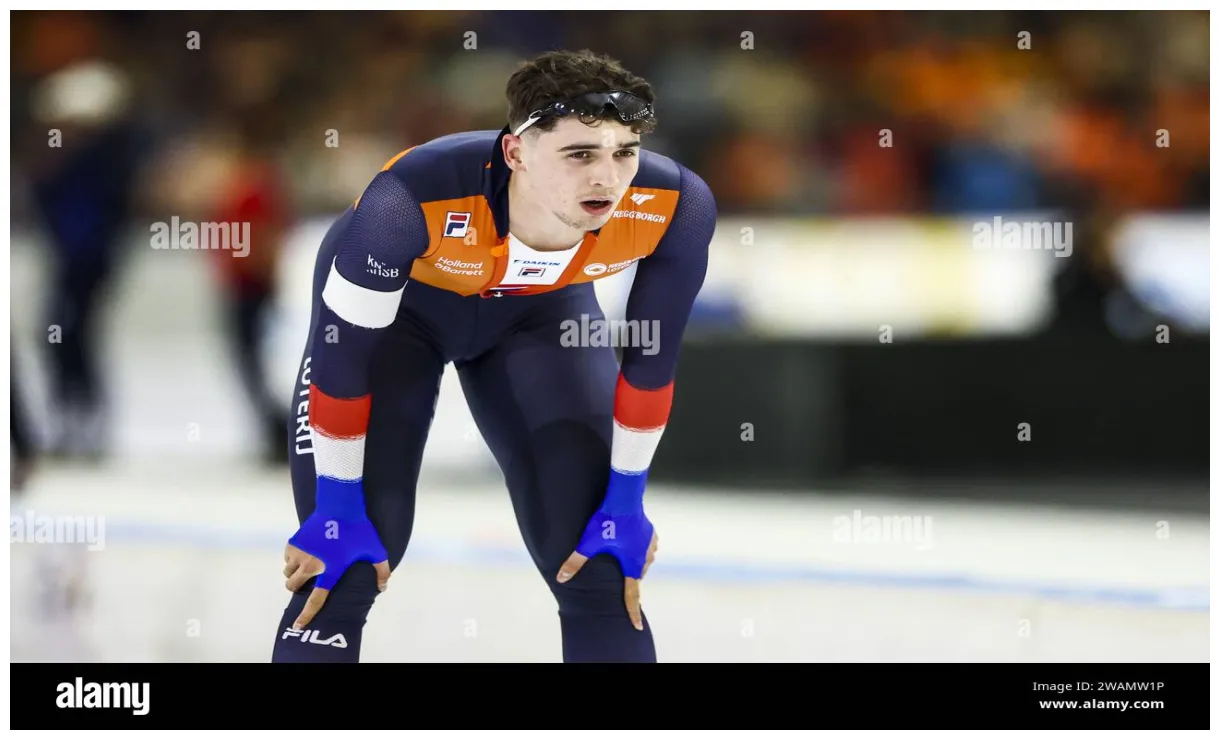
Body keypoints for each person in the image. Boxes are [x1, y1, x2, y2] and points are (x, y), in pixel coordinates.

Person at [272, 49, 716, 663]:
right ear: (516, 153)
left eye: (624, 153)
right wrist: (338, 503)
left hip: (538, 317)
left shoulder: (676, 204)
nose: (609, 180)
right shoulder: (406, 200)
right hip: (402, 319)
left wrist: (625, 500)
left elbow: (651, 364)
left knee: (598, 563)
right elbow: (343, 367)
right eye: (580, 154)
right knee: (343, 563)